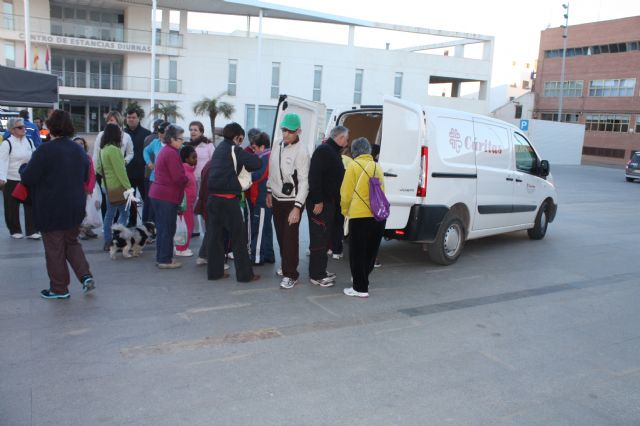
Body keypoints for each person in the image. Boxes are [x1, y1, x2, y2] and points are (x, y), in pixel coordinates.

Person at [19, 110, 95, 299]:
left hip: (51, 207)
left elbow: (29, 177)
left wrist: (23, 168)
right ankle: (85, 275)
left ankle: (59, 288)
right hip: (75, 205)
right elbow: (85, 175)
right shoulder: (78, 150)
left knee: (54, 248)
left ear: (51, 126)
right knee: (72, 242)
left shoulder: (45, 150)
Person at [206, 122, 261, 282]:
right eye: (241, 138)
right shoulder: (234, 149)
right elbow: (256, 164)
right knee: (239, 239)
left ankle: (215, 273)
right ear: (237, 137)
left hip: (212, 199)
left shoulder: (218, 149)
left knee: (214, 238)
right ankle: (245, 275)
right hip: (228, 200)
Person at [266, 113, 310, 290]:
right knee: (281, 235)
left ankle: (291, 274)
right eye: (284, 130)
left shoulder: (302, 151)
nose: (285, 134)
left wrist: (297, 208)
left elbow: (304, 181)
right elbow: (272, 170)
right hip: (277, 197)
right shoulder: (277, 143)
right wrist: (269, 190)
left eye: (290, 131)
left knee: (290, 237)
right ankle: (286, 266)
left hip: (293, 201)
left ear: (298, 131)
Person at [340, 137, 386, 298]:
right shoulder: (377, 166)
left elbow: (346, 193)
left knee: (357, 252)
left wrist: (345, 211)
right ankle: (363, 279)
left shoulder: (353, 166)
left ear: (354, 151)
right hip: (378, 216)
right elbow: (382, 191)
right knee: (370, 252)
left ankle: (360, 288)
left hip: (359, 216)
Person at [306, 125, 349, 287]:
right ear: (340, 138)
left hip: (328, 202)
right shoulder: (324, 151)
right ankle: (316, 275)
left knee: (324, 238)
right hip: (320, 203)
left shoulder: (332, 151)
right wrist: (318, 200)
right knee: (319, 238)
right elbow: (314, 176)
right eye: (346, 139)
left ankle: (321, 270)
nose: (347, 142)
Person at [148, 124, 189, 269]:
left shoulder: (166, 150)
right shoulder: (171, 153)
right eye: (180, 139)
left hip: (159, 194)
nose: (182, 142)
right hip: (166, 196)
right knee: (167, 228)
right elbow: (178, 177)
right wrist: (186, 179)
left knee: (162, 228)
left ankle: (162, 257)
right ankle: (165, 260)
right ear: (172, 139)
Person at [0, 118, 38, 239]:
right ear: (12, 130)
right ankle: (15, 230)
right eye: (20, 127)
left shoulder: (29, 141)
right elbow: (2, 161)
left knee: (30, 205)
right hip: (11, 179)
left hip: (26, 179)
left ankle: (32, 231)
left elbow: (35, 158)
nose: (23, 129)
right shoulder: (7, 143)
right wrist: (2, 178)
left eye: (24, 127)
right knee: (11, 206)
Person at [96, 124, 132, 251]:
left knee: (109, 214)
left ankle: (108, 241)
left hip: (106, 186)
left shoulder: (103, 149)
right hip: (118, 187)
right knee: (124, 213)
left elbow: (98, 168)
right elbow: (120, 171)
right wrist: (128, 187)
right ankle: (118, 239)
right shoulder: (114, 150)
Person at [248, 132, 275, 266]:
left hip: (262, 198)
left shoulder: (265, 157)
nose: (254, 151)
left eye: (255, 148)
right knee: (266, 227)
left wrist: (247, 175)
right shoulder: (270, 155)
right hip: (266, 197)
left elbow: (259, 175)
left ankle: (257, 257)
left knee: (258, 228)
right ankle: (269, 255)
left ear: (262, 147)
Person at [124, 107, 151, 227]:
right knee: (131, 199)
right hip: (128, 173)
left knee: (147, 199)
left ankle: (148, 222)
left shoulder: (147, 134)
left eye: (133, 117)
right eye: (129, 117)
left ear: (138, 118)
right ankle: (132, 221)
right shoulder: (122, 134)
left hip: (143, 173)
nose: (131, 119)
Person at [188, 120, 215, 237]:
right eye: (191, 130)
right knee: (192, 205)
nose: (193, 132)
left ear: (201, 132)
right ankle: (195, 230)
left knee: (204, 205)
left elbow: (214, 161)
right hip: (191, 180)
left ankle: (207, 231)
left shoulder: (208, 145)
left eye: (195, 130)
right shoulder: (187, 145)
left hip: (205, 180)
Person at [143, 121, 169, 222]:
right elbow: (145, 151)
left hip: (168, 181)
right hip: (154, 179)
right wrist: (149, 162)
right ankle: (151, 227)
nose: (160, 133)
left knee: (165, 207)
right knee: (153, 206)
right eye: (159, 131)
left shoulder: (173, 144)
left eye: (163, 131)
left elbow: (183, 152)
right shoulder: (155, 142)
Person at [73, 137, 99, 240]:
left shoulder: (88, 157)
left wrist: (90, 187)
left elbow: (92, 173)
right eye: (77, 143)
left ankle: (87, 228)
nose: (80, 145)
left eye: (81, 143)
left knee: (90, 209)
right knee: (80, 210)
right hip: (77, 188)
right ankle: (80, 230)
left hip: (88, 188)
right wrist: (83, 187)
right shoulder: (70, 157)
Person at [174, 145, 198, 257]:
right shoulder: (184, 171)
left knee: (188, 225)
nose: (196, 159)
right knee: (185, 227)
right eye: (193, 157)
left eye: (196, 157)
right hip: (184, 205)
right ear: (186, 158)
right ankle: (180, 248)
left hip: (189, 204)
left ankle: (182, 247)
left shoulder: (190, 170)